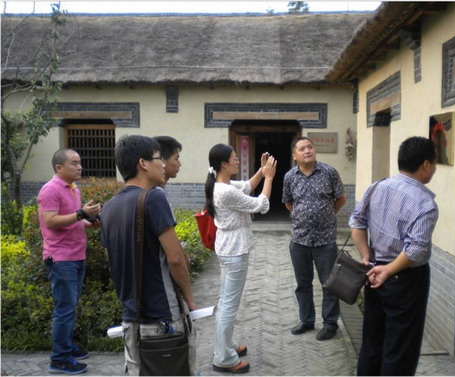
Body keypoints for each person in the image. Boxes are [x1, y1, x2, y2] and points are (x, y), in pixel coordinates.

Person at [100, 135, 197, 375]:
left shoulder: (109, 207)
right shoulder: (154, 197)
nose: (163, 164)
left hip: (131, 319)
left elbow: (112, 261)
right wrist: (190, 301)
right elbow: (175, 258)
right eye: (158, 159)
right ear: (143, 163)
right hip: (163, 316)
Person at [349, 136, 438, 376]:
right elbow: (416, 249)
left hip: (373, 273)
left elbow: (356, 222)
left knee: (372, 342)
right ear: (426, 165)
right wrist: (388, 270)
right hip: (404, 279)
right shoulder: (425, 203)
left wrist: (367, 258)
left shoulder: (376, 186)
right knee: (400, 348)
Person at [205, 144, 276, 374]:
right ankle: (223, 357)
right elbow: (260, 205)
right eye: (234, 158)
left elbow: (247, 186)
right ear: (224, 164)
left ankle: (226, 346)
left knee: (226, 303)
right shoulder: (224, 191)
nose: (237, 160)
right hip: (234, 251)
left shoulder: (223, 184)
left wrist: (261, 170)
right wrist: (269, 178)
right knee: (228, 305)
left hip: (228, 249)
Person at [38, 148, 101, 375]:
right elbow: (51, 221)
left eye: (80, 163)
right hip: (60, 258)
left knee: (69, 307)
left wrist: (89, 221)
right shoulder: (50, 190)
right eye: (74, 163)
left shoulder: (74, 188)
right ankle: (60, 360)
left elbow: (72, 220)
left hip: (76, 255)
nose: (79, 167)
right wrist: (81, 214)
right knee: (64, 310)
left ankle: (66, 347)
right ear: (59, 167)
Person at [282, 136, 346, 341]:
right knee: (303, 284)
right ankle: (307, 320)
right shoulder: (290, 177)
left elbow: (341, 198)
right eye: (302, 149)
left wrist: (325, 215)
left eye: (310, 147)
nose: (307, 151)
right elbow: (288, 203)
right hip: (299, 239)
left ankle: (330, 324)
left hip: (325, 240)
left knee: (329, 283)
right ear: (295, 155)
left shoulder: (329, 172)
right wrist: (304, 217)